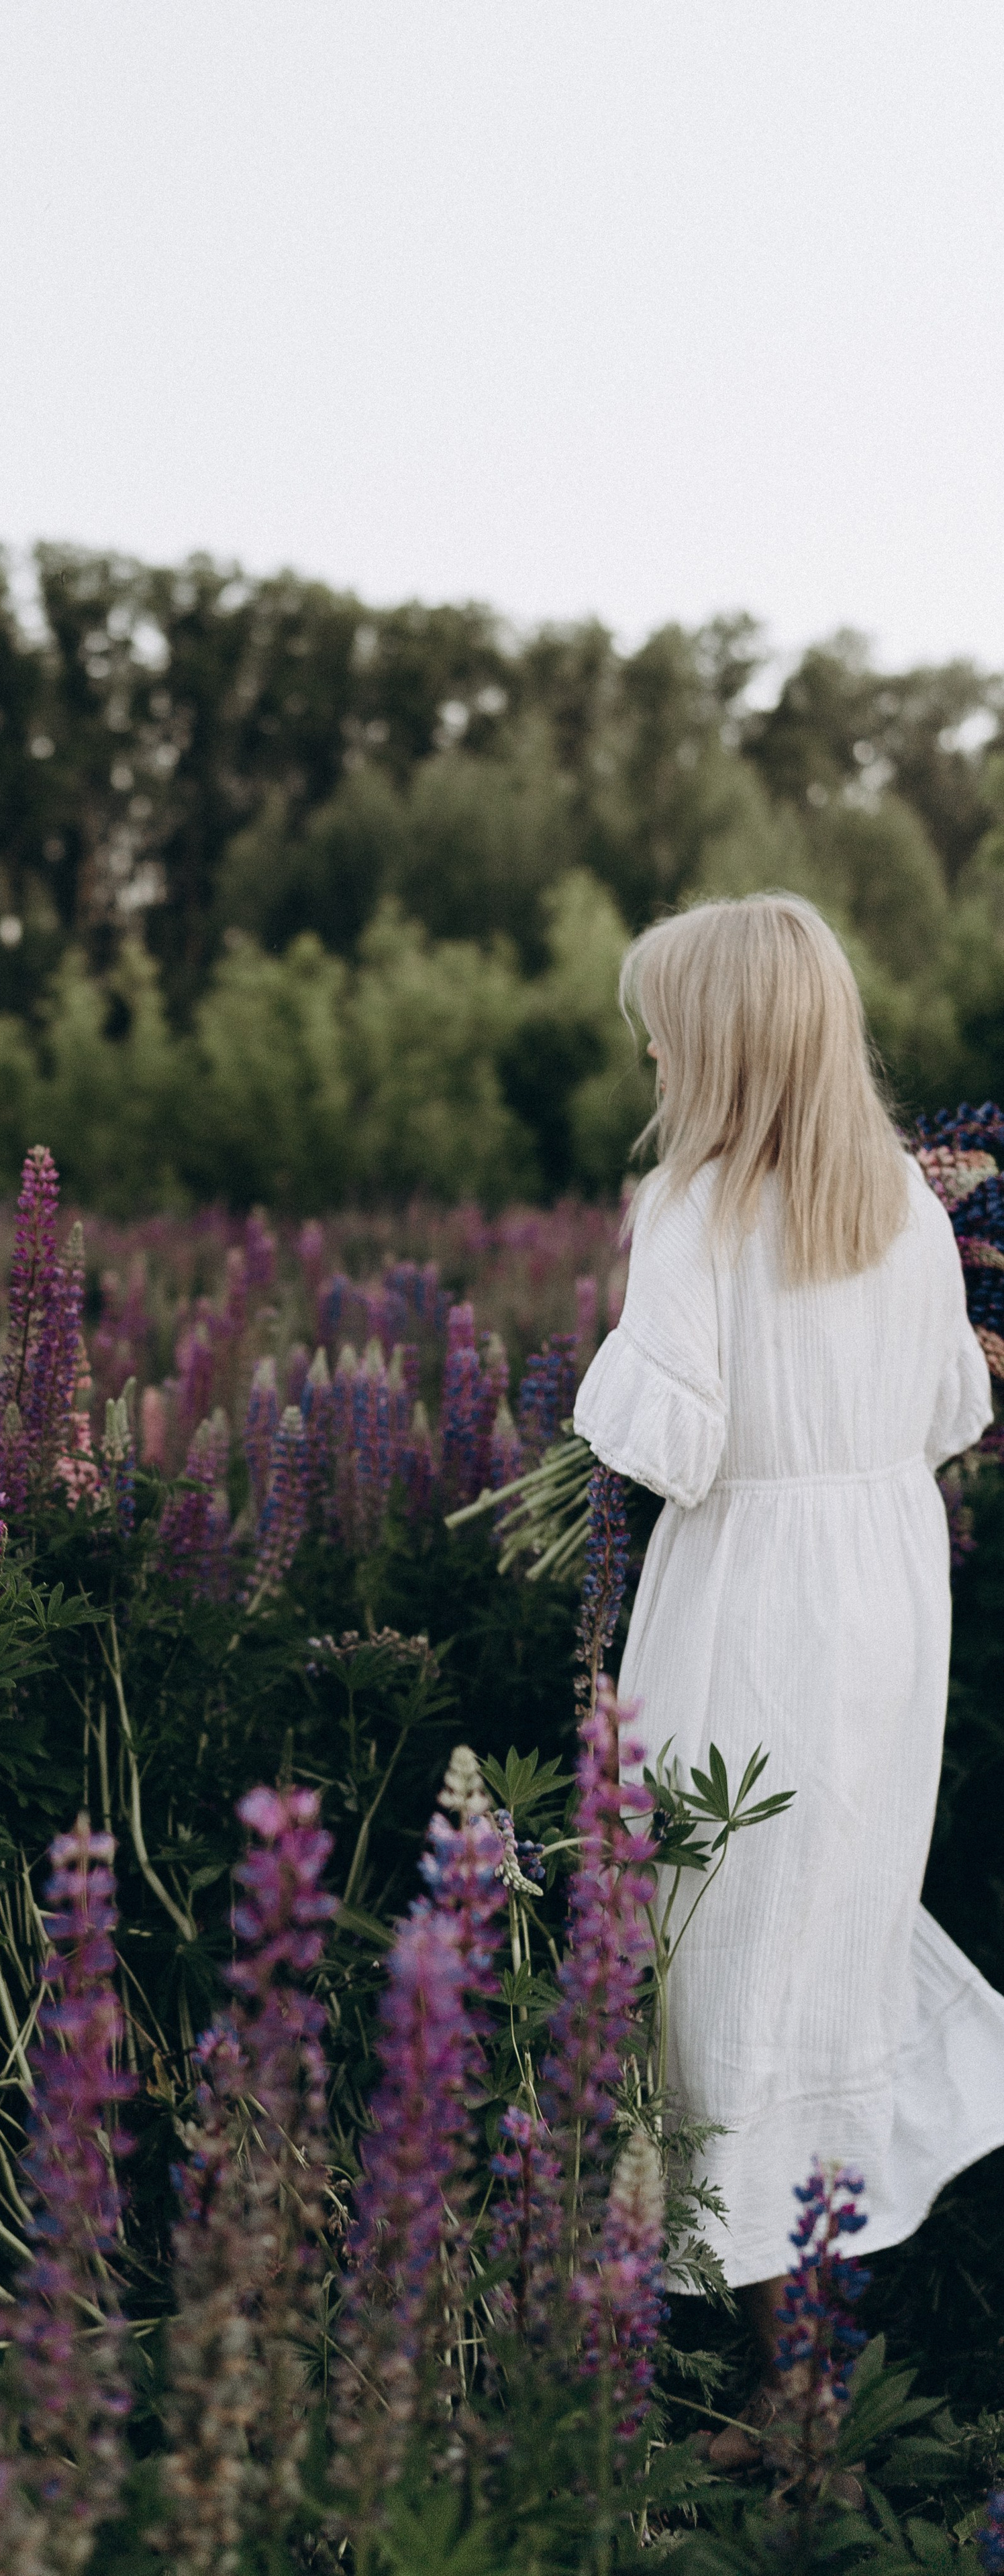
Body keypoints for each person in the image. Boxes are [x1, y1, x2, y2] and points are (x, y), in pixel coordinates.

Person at [572, 890, 1004, 2457]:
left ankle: (786, 2393)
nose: (644, 1046)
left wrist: (598, 1397)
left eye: (658, 1026)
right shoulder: (896, 1199)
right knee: (824, 1941)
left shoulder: (692, 1206)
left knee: (717, 1967)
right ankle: (811, 2359)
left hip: (749, 1609)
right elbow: (954, 1408)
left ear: (718, 1045)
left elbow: (663, 1444)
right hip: (884, 1615)